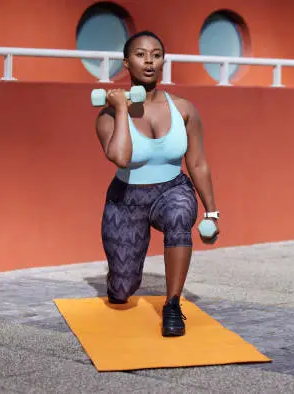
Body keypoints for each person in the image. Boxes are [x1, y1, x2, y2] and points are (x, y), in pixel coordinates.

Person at [95, 31, 220, 337]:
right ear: (126, 63)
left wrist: (212, 213)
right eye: (140, 54)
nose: (149, 60)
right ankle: (120, 277)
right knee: (122, 290)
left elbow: (198, 163)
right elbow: (121, 158)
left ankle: (173, 304)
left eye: (156, 54)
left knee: (179, 216)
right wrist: (123, 109)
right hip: (126, 199)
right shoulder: (108, 114)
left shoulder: (184, 108)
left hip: (172, 189)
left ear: (163, 61)